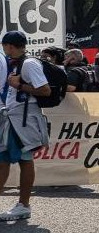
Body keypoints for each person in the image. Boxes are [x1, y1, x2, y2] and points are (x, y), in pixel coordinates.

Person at [0, 31, 51, 221]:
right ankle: (23, 204)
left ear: (10, 46)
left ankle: (24, 204)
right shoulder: (17, 63)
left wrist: (19, 85)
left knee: (20, 159)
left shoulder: (29, 63)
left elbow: (45, 90)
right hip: (15, 118)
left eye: (4, 45)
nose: (3, 49)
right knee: (11, 159)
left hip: (23, 120)